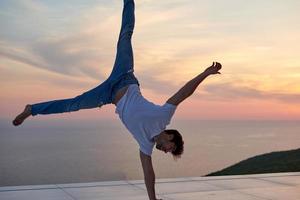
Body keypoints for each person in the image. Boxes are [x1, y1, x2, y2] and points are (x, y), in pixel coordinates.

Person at [12, 0, 222, 199]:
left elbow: (149, 174)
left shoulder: (145, 145)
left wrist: (153, 199)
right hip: (125, 76)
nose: (166, 152)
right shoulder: (163, 115)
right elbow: (184, 92)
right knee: (126, 35)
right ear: (171, 137)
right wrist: (205, 73)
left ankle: (32, 109)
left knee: (73, 104)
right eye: (171, 149)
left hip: (108, 95)